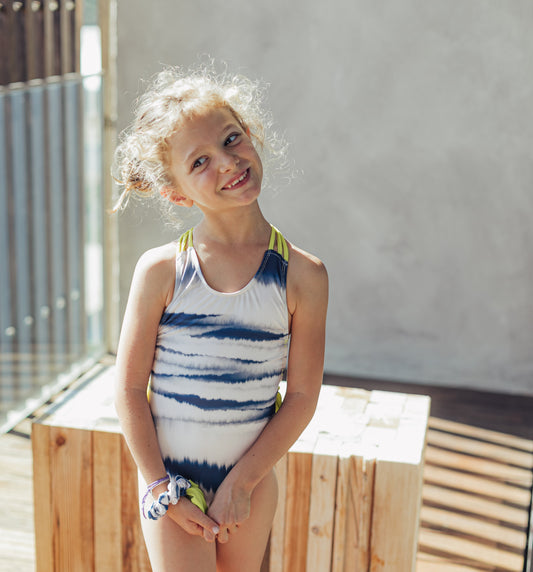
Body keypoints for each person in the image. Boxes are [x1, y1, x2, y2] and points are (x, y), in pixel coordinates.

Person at [113, 64, 328, 572]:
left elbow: (300, 397)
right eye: (201, 161)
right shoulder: (162, 271)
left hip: (248, 485)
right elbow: (127, 391)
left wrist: (242, 483)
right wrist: (159, 486)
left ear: (251, 135)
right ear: (176, 193)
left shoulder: (304, 276)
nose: (228, 162)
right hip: (173, 489)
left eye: (232, 139)